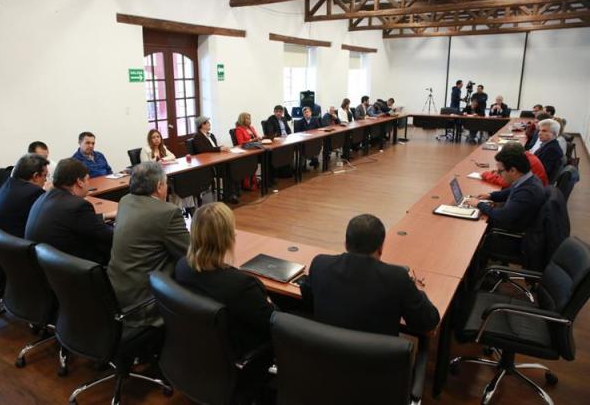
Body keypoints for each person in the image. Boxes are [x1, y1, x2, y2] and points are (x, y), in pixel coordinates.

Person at [300, 214, 439, 336]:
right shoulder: (398, 278)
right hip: (377, 364)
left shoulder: (319, 264)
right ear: (381, 247)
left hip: (324, 358)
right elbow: (428, 322)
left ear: (346, 244)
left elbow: (308, 298)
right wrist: (416, 291)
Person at [175, 202, 275, 356]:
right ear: (228, 238)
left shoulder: (181, 267)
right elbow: (273, 323)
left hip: (201, 350)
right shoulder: (242, 285)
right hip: (243, 354)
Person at [108, 162, 189, 328]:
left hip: (115, 293)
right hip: (145, 301)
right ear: (159, 186)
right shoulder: (167, 212)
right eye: (166, 184)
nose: (167, 188)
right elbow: (191, 252)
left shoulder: (124, 201)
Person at [25, 158, 115, 264]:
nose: (89, 184)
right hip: (77, 270)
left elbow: (80, 222)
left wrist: (106, 216)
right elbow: (109, 236)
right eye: (87, 179)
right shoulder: (77, 206)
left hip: (45, 267)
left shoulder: (43, 197)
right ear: (79, 182)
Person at [464, 146, 545, 232]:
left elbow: (502, 216)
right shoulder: (529, 179)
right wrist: (491, 196)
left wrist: (479, 204)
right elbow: (511, 190)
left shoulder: (527, 192)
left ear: (513, 170)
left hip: (507, 235)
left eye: (500, 171)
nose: (498, 174)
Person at [0, 154, 49, 238]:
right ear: (35, 176)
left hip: (1, 243)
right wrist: (50, 193)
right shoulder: (34, 192)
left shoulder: (7, 184)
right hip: (19, 245)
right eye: (45, 175)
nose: (46, 180)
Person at [480, 141, 548, 187]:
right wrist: (500, 172)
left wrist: (487, 175)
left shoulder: (526, 162)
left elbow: (507, 182)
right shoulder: (526, 156)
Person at [234, 112, 260, 190]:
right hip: (246, 151)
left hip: (255, 148)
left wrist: (259, 138)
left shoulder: (251, 128)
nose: (249, 120)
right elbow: (240, 143)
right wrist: (252, 140)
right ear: (242, 119)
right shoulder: (239, 129)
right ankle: (249, 183)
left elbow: (256, 137)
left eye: (249, 118)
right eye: (247, 118)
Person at [534, 119, 564, 183]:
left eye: (544, 131)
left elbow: (541, 172)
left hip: (538, 183)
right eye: (540, 130)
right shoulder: (549, 145)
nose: (539, 133)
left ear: (554, 134)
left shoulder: (552, 150)